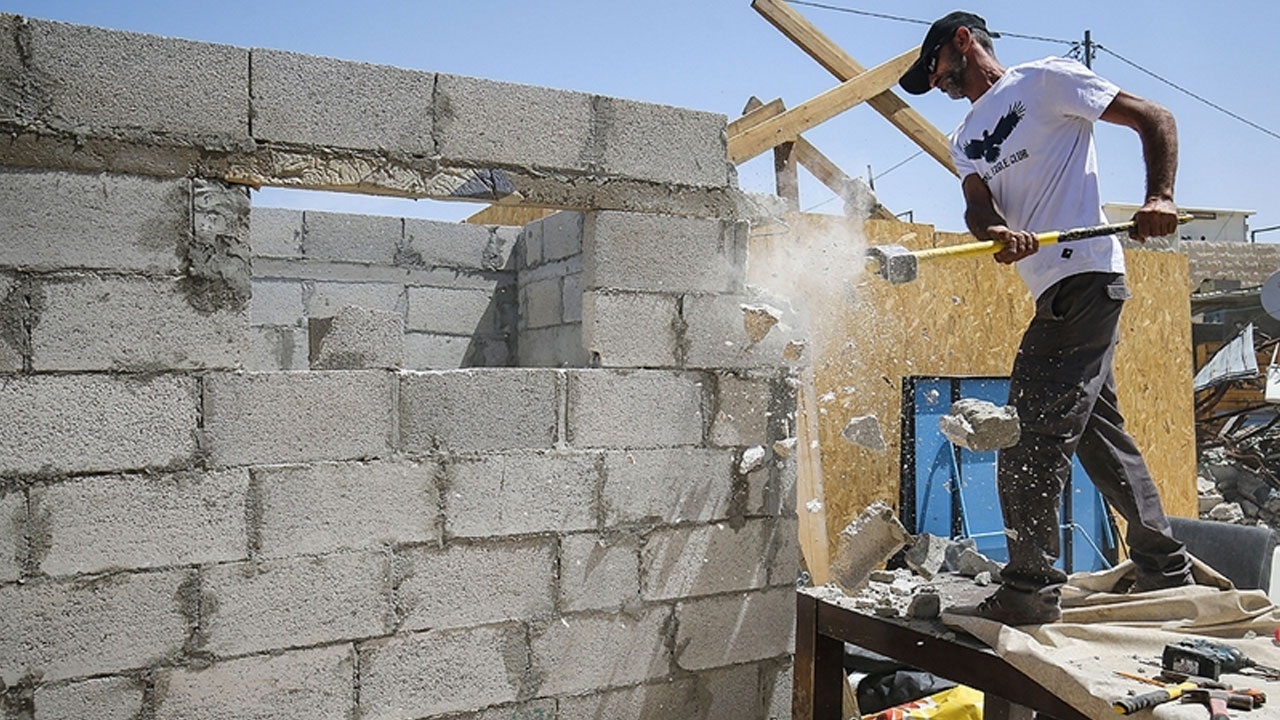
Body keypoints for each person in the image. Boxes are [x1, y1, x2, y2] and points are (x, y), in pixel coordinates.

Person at [898, 11, 1193, 625]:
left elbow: (1154, 117)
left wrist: (1159, 196)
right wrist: (997, 232)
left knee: (1027, 435)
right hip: (1053, 289)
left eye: (937, 70)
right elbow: (977, 209)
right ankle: (1166, 569)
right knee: (1099, 436)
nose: (940, 84)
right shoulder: (964, 137)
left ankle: (1029, 591)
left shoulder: (1044, 81)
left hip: (1084, 275)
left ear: (962, 42)